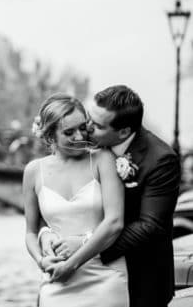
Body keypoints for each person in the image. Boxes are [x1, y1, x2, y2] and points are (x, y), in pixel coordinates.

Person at [40, 85, 180, 307]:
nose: (86, 129)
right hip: (80, 272)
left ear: (123, 132)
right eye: (89, 119)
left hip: (139, 276)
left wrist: (87, 245)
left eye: (96, 126)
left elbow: (150, 225)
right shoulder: (84, 151)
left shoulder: (160, 159)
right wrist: (46, 234)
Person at [23, 92, 127, 307]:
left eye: (82, 127)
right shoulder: (34, 171)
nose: (80, 137)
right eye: (69, 132)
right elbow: (31, 232)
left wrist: (73, 261)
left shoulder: (102, 159)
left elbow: (114, 222)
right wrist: (42, 261)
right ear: (50, 136)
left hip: (104, 278)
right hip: (58, 280)